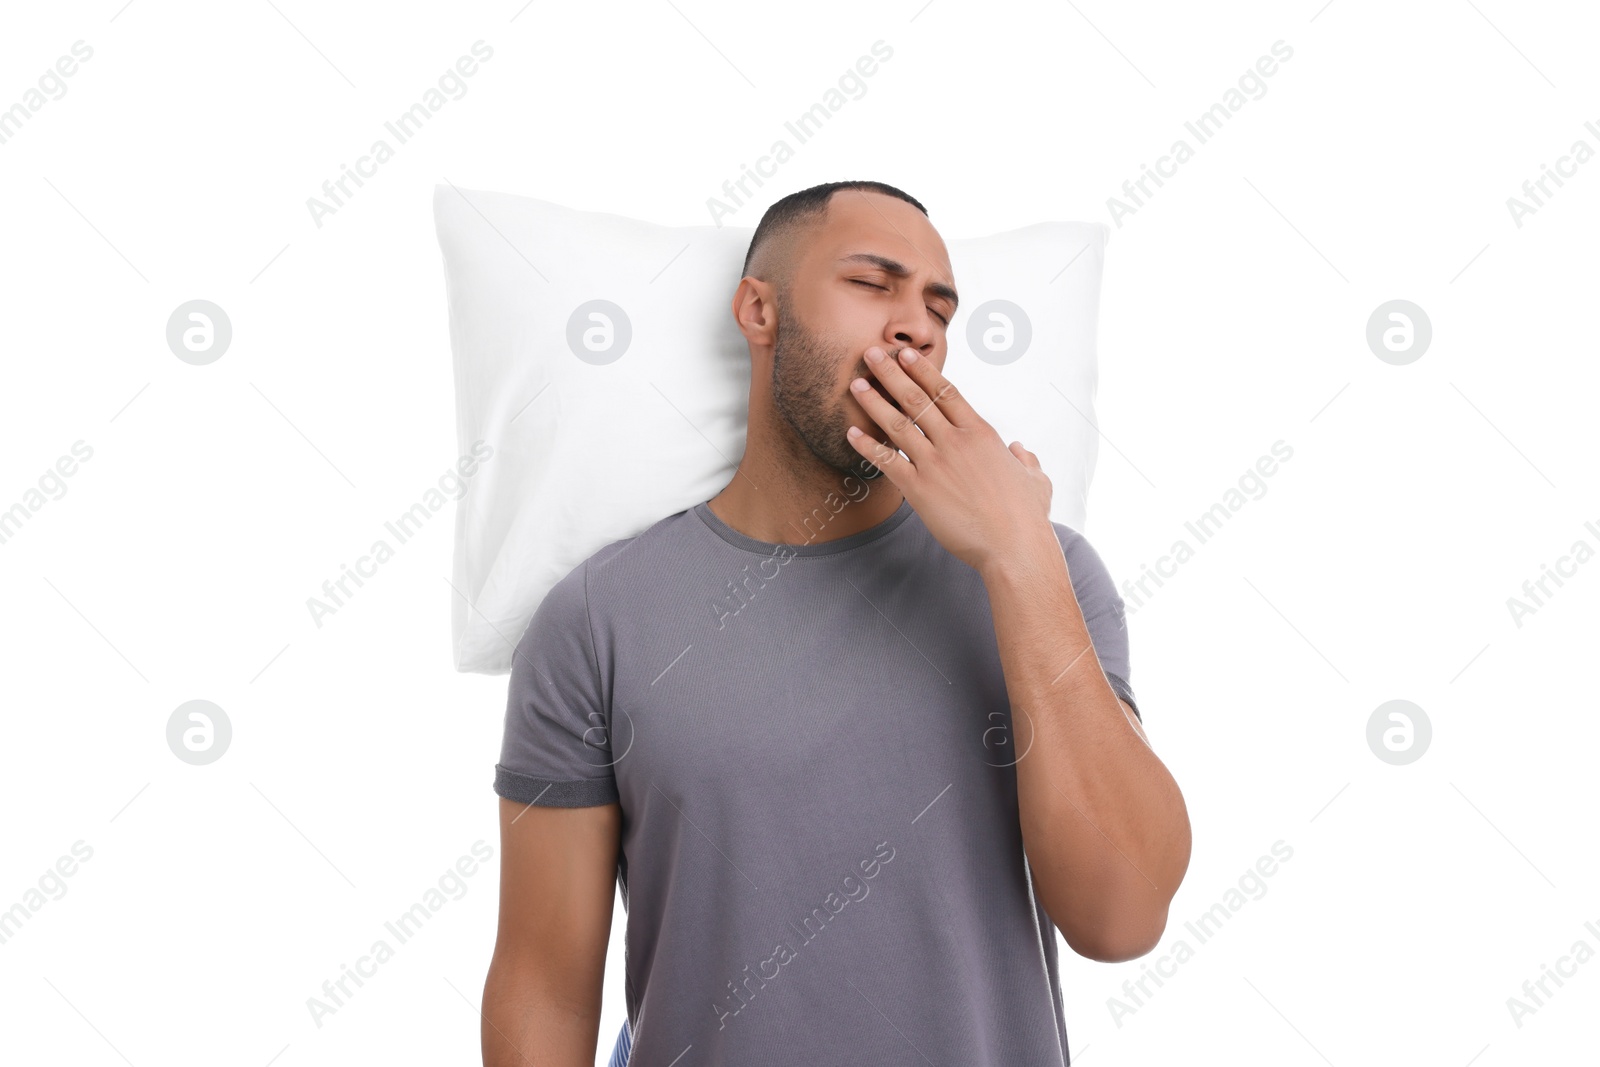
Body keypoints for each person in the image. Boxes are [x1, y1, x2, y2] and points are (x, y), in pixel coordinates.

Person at [480, 180, 1191, 1066]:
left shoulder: (1053, 577)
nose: (918, 326)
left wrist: (1019, 557)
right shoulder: (598, 620)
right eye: (873, 283)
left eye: (939, 306)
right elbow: (545, 984)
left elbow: (1122, 917)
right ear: (758, 309)